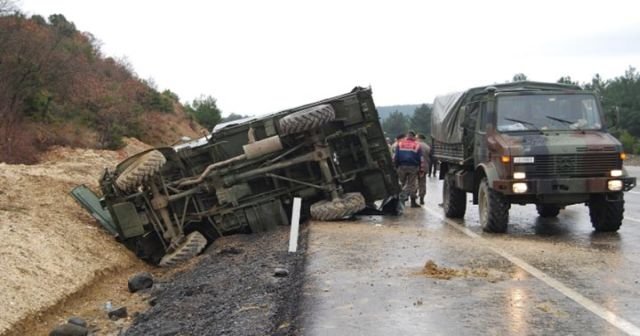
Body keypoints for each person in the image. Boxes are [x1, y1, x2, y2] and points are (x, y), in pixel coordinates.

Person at [394, 131, 424, 208]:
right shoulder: (417, 145)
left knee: (401, 184)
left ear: (407, 136)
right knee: (412, 185)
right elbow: (421, 158)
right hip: (413, 167)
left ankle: (400, 202)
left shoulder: (400, 144)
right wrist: (421, 169)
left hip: (402, 166)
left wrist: (396, 166)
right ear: (413, 137)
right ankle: (413, 203)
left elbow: (396, 157)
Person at [417, 134, 431, 205]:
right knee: (422, 183)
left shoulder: (415, 145)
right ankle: (421, 197)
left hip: (416, 166)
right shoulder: (427, 147)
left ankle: (413, 196)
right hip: (424, 167)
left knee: (413, 182)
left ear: (419, 138)